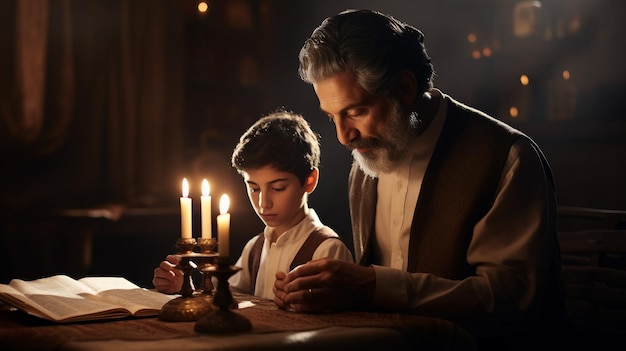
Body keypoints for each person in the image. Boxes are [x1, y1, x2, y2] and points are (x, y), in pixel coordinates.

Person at [272, 9, 567, 349]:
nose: (343, 136)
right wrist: (317, 290)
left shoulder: (507, 158)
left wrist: (371, 286)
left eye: (355, 111)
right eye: (332, 116)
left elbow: (510, 303)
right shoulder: (366, 166)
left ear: (405, 87)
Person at [153, 111, 353, 300]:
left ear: (310, 180)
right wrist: (184, 285)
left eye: (278, 188)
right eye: (254, 189)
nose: (263, 203)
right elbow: (224, 298)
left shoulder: (327, 250)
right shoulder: (255, 248)